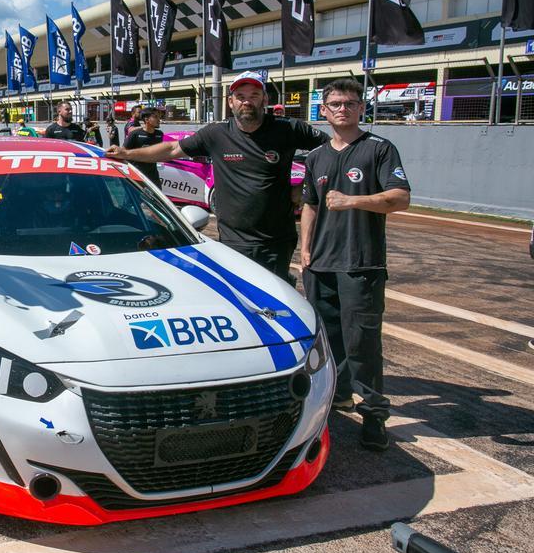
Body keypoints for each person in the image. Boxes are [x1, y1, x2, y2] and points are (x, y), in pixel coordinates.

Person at [106, 70, 326, 281]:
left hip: (276, 241)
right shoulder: (217, 133)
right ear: (231, 102)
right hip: (233, 241)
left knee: (276, 302)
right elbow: (172, 149)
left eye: (254, 96)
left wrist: (306, 189)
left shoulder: (288, 129)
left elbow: (332, 149)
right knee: (240, 300)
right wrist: (126, 153)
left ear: (264, 99)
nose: (246, 101)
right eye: (240, 96)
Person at [300, 78, 410, 451]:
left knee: (363, 343)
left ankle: (375, 415)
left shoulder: (379, 149)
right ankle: (339, 397)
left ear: (361, 108)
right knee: (327, 341)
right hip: (321, 264)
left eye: (349, 103)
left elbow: (400, 198)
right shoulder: (316, 156)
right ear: (324, 111)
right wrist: (305, 250)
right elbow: (311, 205)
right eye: (335, 104)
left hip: (361, 264)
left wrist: (353, 201)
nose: (342, 109)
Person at [123, 109, 164, 187]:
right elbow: (123, 152)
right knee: (133, 198)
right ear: (146, 119)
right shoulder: (135, 134)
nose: (159, 120)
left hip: (153, 175)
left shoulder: (159, 134)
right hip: (136, 174)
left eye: (159, 117)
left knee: (156, 198)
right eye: (155, 117)